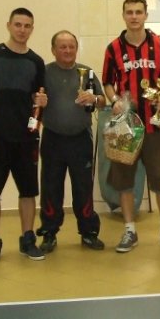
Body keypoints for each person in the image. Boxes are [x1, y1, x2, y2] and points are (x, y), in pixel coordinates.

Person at [102, 0, 160, 253]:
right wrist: (114, 100)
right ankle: (129, 231)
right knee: (124, 181)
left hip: (154, 125)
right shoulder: (113, 48)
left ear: (146, 15)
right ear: (123, 15)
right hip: (124, 128)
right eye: (130, 12)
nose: (134, 16)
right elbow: (107, 83)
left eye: (139, 12)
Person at [0, 7, 47, 266]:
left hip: (26, 138)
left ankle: (28, 239)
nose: (22, 30)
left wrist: (42, 102)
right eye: (18, 24)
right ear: (9, 25)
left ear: (32, 29)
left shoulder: (36, 61)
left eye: (27, 26)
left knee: (28, 192)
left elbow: (38, 99)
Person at [36, 30, 106, 253]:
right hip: (52, 138)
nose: (67, 50)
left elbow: (103, 101)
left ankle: (88, 232)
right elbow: (32, 100)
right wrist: (37, 100)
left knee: (83, 187)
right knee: (51, 187)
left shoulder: (88, 73)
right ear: (53, 50)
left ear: (76, 48)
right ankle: (49, 233)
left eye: (71, 46)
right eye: (62, 47)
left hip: (80, 139)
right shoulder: (43, 72)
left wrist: (94, 98)